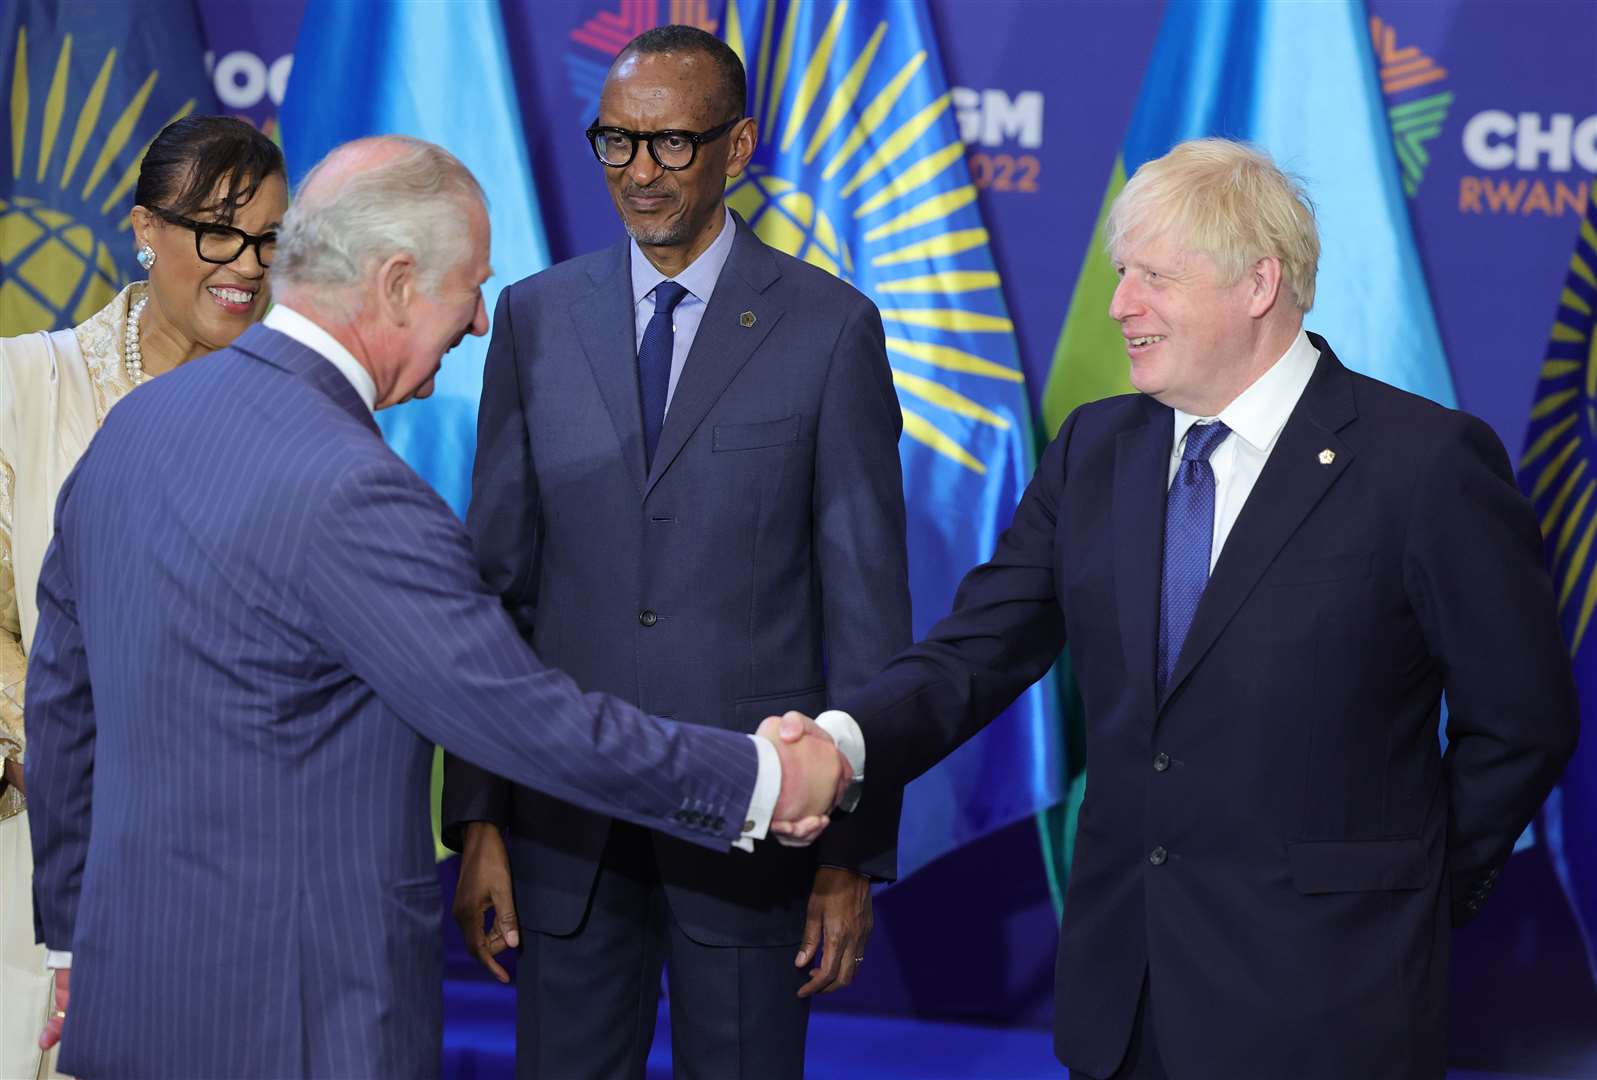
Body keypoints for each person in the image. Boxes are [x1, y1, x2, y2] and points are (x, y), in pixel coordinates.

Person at [23, 135, 853, 1080]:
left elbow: (63, 709)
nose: (480, 324)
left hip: (129, 1003)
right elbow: (528, 722)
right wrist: (760, 781)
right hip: (300, 1028)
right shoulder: (355, 493)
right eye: (472, 288)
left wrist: (70, 944)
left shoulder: (138, 426)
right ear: (397, 283)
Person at [818, 139, 1579, 1079]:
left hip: (1329, 1004)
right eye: (1119, 273)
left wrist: (1405, 887)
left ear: (1257, 285)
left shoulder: (1422, 466)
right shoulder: (1093, 449)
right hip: (1121, 998)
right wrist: (841, 742)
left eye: (1153, 278)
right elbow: (975, 652)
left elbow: (1522, 719)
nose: (1118, 306)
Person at [441, 24, 911, 1080]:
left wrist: (848, 850)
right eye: (616, 143)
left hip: (753, 837)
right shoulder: (533, 319)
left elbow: (867, 614)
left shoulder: (831, 329)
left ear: (738, 148)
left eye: (671, 145)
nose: (639, 173)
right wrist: (478, 820)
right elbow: (495, 591)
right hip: (564, 832)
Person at [0, 114, 285, 1080]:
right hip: (38, 855)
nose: (244, 263)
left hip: (231, 874)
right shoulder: (24, 384)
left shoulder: (303, 419)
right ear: (143, 229)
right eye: (216, 230)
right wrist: (62, 757)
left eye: (269, 237)